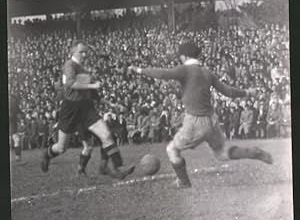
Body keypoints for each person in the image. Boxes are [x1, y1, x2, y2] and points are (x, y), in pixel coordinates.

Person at [129, 41, 273, 189]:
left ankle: (183, 181)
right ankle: (253, 152)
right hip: (211, 120)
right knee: (221, 153)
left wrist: (140, 70)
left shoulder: (185, 70)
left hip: (194, 121)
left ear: (184, 56)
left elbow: (163, 74)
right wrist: (248, 92)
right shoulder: (206, 72)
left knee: (172, 149)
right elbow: (228, 91)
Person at [40, 40, 135, 180]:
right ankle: (47, 155)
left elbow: (95, 95)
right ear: (73, 52)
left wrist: (112, 104)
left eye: (86, 52)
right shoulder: (69, 65)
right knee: (61, 147)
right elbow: (70, 84)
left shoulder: (85, 71)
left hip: (86, 108)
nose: (84, 55)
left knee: (107, 135)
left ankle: (118, 168)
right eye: (81, 52)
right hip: (70, 108)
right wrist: (92, 86)